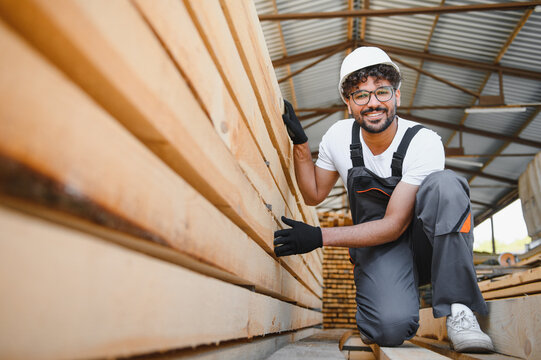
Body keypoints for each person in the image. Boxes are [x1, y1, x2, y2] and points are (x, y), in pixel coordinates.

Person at [274, 46, 494, 352]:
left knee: (446, 185)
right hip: (383, 250)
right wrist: (300, 144)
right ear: (348, 103)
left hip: (429, 245)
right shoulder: (338, 138)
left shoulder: (423, 142)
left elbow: (393, 224)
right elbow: (313, 194)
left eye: (382, 92)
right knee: (389, 329)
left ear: (397, 96)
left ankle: (460, 309)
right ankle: (389, 296)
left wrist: (318, 236)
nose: (373, 103)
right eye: (361, 95)